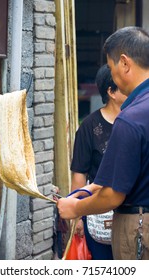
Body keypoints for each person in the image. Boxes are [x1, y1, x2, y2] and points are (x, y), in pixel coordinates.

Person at [57, 26, 149, 260]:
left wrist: (75, 209)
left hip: (138, 224)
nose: (113, 75)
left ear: (125, 63)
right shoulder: (93, 124)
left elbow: (114, 195)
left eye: (111, 67)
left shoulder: (130, 119)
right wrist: (92, 187)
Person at [71, 64, 126, 260]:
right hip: (98, 215)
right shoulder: (89, 126)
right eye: (124, 84)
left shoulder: (135, 122)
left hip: (131, 214)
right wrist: (78, 216)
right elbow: (79, 173)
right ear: (111, 92)